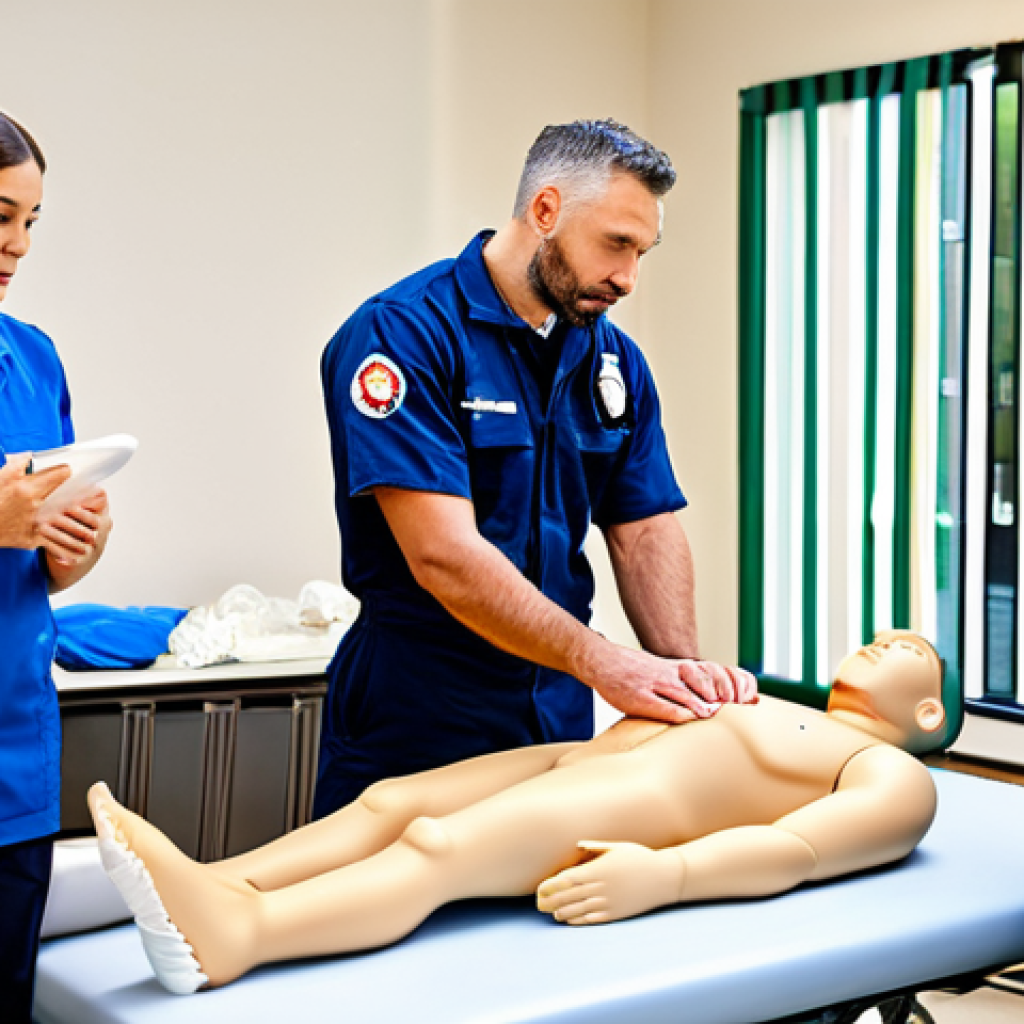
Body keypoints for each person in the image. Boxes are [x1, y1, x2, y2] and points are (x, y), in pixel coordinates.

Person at [89, 630, 943, 994]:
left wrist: (668, 874)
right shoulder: (775, 701)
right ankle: (212, 882)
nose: (881, 641)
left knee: (438, 847)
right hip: (586, 757)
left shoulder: (891, 774)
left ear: (929, 714)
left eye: (904, 650)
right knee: (394, 799)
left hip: (636, 803)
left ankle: (244, 934)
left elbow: (795, 848)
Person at [316, 119, 756, 815]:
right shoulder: (403, 334)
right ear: (545, 211)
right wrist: (603, 662)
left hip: (556, 713)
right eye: (616, 244)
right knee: (382, 906)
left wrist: (681, 675)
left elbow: (643, 530)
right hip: (420, 712)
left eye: (643, 251)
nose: (629, 278)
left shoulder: (612, 362)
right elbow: (444, 557)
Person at [0, 113, 114, 1021]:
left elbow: (33, 558)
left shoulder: (32, 358)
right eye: (1, 216)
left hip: (15, 767)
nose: (18, 245)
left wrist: (72, 549)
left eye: (31, 222)